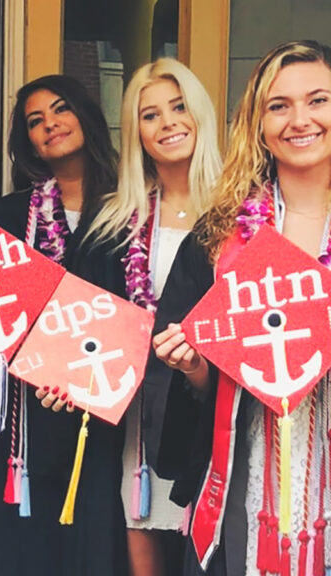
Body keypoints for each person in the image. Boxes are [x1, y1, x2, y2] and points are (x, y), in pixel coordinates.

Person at [147, 40, 331, 576]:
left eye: (318, 100)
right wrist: (192, 365)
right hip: (248, 471)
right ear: (258, 124)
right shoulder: (219, 239)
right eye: (279, 106)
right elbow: (203, 388)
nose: (300, 120)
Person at [0, 75, 125, 576]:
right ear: (28, 142)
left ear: (86, 115)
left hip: (100, 422)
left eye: (61, 109)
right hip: (22, 428)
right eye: (35, 121)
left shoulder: (129, 210)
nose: (50, 125)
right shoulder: (6, 219)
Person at [75, 58, 222, 576]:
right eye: (150, 114)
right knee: (141, 547)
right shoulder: (115, 221)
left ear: (200, 114)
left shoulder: (240, 214)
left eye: (179, 107)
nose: (168, 123)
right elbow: (87, 318)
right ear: (135, 131)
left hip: (209, 416)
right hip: (136, 420)